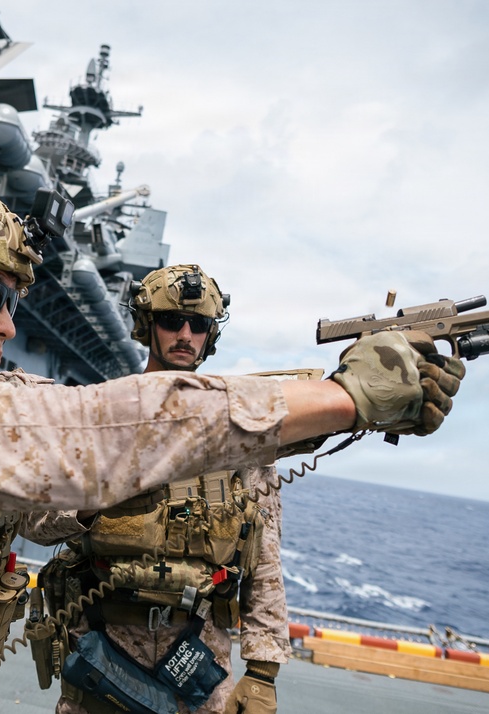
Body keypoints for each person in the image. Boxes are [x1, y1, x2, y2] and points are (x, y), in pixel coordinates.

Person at [0, 175, 464, 714]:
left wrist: (344, 401)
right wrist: (349, 394)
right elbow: (86, 438)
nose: (9, 323)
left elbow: (71, 473)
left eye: (14, 302)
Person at [30, 265, 294, 714]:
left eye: (200, 325)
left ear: (211, 335)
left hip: (199, 657)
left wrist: (263, 671)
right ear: (146, 325)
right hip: (103, 650)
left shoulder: (237, 432)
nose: (185, 334)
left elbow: (264, 558)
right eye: (172, 321)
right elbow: (35, 522)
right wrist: (94, 501)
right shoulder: (99, 414)